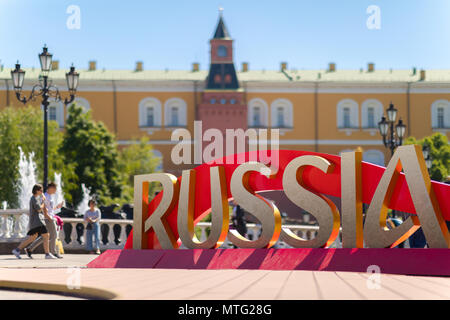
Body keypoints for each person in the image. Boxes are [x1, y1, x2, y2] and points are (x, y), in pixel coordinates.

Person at [12, 184, 57, 259]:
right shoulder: (34, 199)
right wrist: (43, 201)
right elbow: (39, 209)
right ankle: (47, 254)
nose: (42, 192)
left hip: (35, 222)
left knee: (32, 237)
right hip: (38, 222)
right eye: (41, 190)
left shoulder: (35, 198)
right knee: (46, 235)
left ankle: (17, 250)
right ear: (37, 190)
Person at [25, 182, 64, 259]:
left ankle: (29, 249)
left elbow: (50, 208)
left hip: (49, 217)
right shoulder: (46, 196)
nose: (55, 190)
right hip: (47, 218)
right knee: (54, 235)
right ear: (51, 188)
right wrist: (48, 217)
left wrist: (57, 207)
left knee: (45, 236)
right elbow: (44, 208)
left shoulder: (49, 196)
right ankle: (53, 252)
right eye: (55, 188)